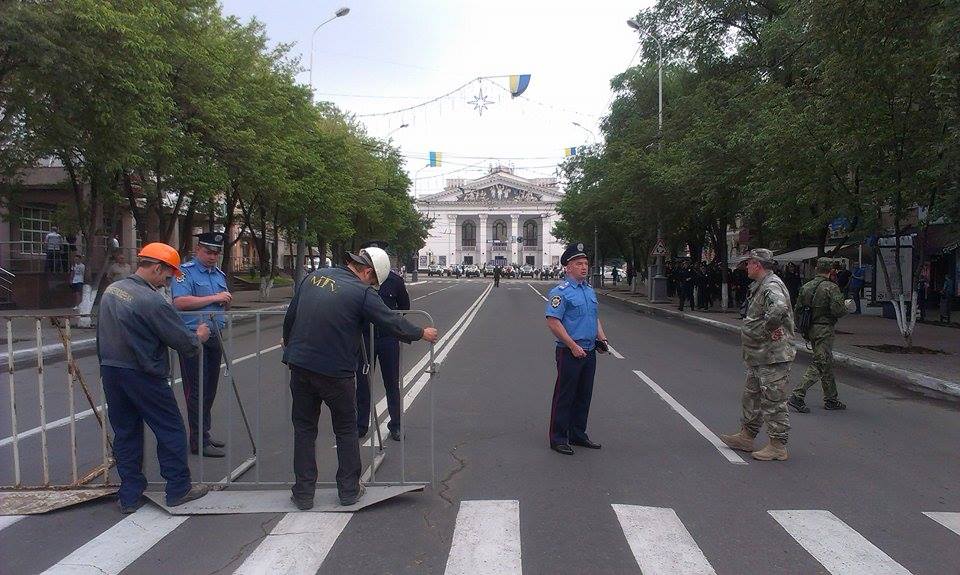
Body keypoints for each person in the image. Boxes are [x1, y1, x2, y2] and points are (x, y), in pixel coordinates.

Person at [282, 247, 439, 509]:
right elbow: (391, 321)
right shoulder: (361, 291)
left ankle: (303, 494)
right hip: (335, 372)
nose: (374, 286)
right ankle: (348, 491)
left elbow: (290, 319)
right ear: (367, 272)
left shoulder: (314, 277)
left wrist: (291, 348)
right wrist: (421, 333)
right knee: (345, 430)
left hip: (300, 366)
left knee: (304, 429)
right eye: (374, 281)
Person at [97, 242, 210, 513]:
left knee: (126, 432)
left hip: (112, 371)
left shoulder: (113, 291)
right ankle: (178, 489)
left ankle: (130, 495)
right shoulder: (151, 300)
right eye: (167, 276)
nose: (166, 282)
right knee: (170, 428)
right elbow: (184, 342)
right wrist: (200, 337)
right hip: (143, 373)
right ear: (157, 268)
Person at [720, 248, 795, 462]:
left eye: (749, 263)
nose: (746, 267)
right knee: (752, 395)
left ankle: (778, 446)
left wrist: (766, 330)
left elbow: (779, 309)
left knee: (773, 399)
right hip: (760, 355)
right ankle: (746, 436)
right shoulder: (761, 285)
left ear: (758, 264)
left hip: (773, 354)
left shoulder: (772, 285)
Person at [172, 232, 232, 458]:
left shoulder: (218, 274)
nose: (212, 256)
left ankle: (204, 433)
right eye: (208, 252)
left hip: (214, 334)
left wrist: (223, 302)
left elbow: (221, 302)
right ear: (198, 250)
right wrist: (214, 298)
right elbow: (180, 302)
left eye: (216, 253)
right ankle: (197, 441)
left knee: (209, 388)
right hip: (193, 336)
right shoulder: (184, 272)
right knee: (195, 390)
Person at [545, 242, 608, 455]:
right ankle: (558, 437)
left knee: (584, 395)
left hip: (589, 351)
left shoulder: (589, 291)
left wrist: (602, 338)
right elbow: (553, 321)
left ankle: (578, 434)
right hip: (569, 352)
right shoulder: (560, 292)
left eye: (586, 263)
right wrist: (572, 345)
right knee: (565, 395)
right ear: (567, 267)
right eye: (579, 263)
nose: (584, 267)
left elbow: (594, 317)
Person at [354, 240, 410, 442]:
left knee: (391, 383)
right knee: (363, 383)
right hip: (364, 340)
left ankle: (395, 425)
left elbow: (404, 308)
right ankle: (361, 424)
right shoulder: (359, 280)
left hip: (387, 340)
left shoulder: (395, 281)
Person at [788, 258, 854, 414]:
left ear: (817, 268)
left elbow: (797, 310)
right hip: (824, 329)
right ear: (831, 270)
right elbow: (837, 310)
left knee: (826, 362)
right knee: (821, 362)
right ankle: (797, 395)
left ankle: (831, 398)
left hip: (810, 328)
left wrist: (802, 329)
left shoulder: (806, 287)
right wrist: (846, 307)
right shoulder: (831, 288)